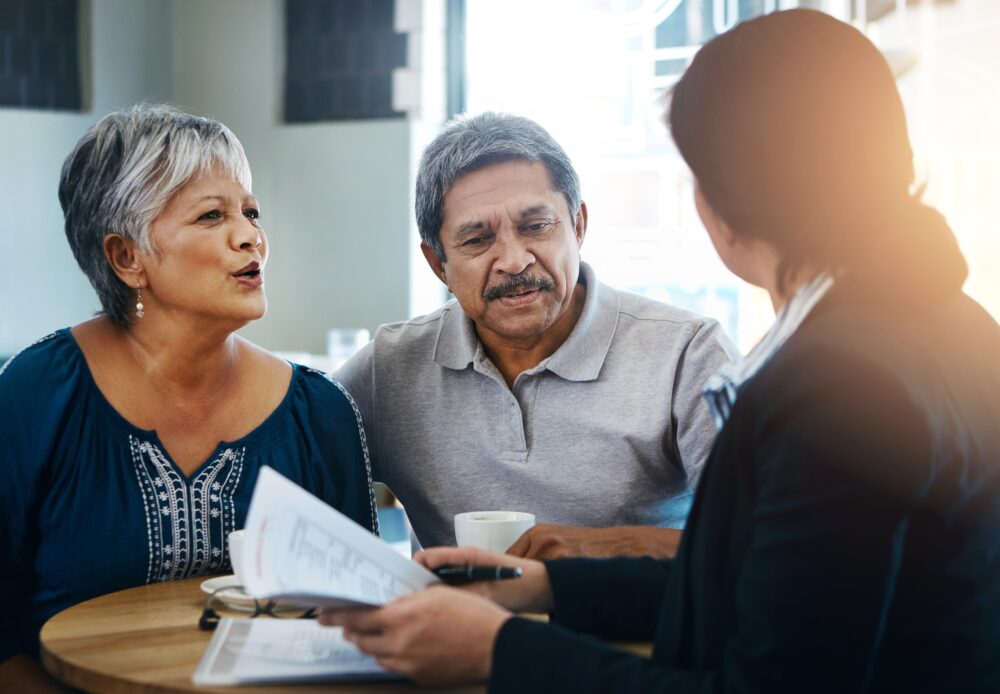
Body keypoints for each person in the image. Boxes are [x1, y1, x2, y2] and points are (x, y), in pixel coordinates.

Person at [320, 9, 1000, 692]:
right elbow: (772, 590)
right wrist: (548, 586)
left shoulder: (838, 388)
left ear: (725, 206)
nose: (513, 258)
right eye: (477, 239)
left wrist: (500, 653)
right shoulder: (951, 323)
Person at [0, 104, 378, 690]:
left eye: (251, 211)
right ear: (127, 258)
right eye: (211, 216)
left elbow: (366, 624)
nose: (250, 235)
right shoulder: (35, 396)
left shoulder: (320, 412)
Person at [335, 112, 738, 560]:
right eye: (476, 240)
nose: (513, 260)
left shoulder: (688, 353)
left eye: (535, 226)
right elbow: (274, 458)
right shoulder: (388, 370)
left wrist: (604, 548)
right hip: (458, 629)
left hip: (635, 630)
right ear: (438, 265)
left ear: (579, 226)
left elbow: (758, 545)